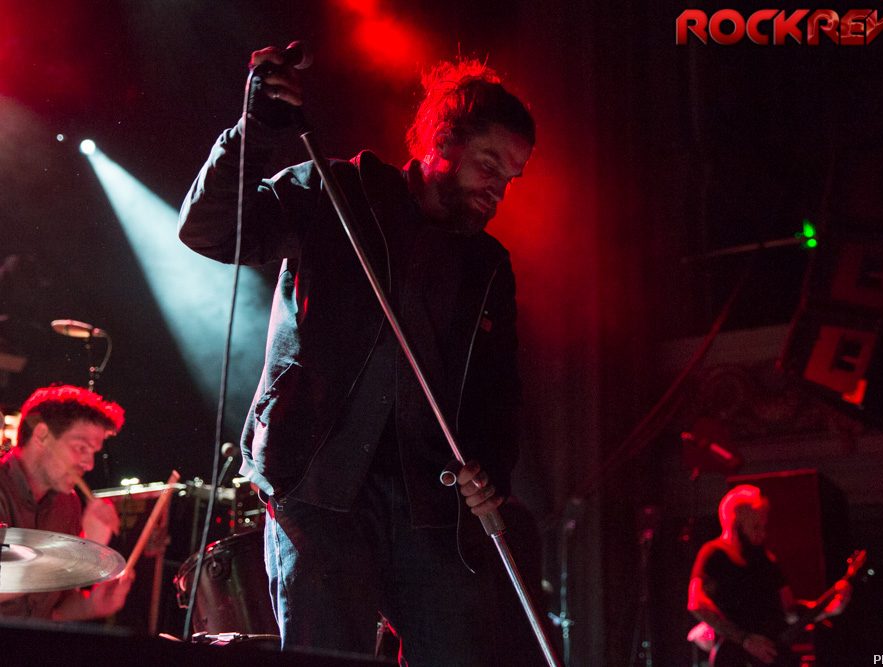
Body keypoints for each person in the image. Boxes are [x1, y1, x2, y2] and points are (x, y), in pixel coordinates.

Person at [178, 46, 536, 665]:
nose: (498, 190)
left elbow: (499, 394)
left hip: (428, 500)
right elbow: (208, 229)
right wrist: (255, 129)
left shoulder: (487, 264)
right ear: (442, 142)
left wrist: (491, 476)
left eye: (510, 178)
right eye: (489, 166)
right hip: (318, 482)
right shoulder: (337, 190)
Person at [0, 385, 134, 620]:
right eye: (80, 447)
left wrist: (91, 606)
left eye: (93, 451)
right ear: (42, 436)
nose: (89, 464)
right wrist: (84, 553)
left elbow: (54, 610)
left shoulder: (69, 504)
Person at [687, 485, 850, 666]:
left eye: (763, 527)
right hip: (736, 659)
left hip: (774, 656)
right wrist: (744, 639)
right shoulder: (713, 553)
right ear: (735, 525)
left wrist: (828, 610)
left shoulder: (766, 559)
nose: (763, 534)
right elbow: (696, 603)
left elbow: (789, 611)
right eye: (756, 527)